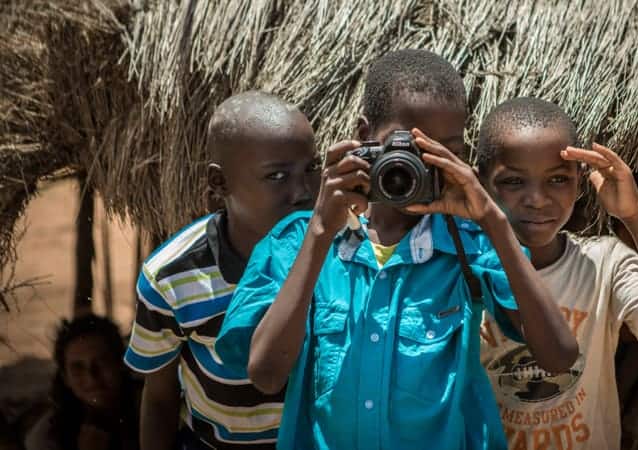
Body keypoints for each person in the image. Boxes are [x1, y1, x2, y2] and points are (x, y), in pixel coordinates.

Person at [215, 49, 578, 450]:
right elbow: (266, 375)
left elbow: (559, 357)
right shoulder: (297, 242)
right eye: (407, 148)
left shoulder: (472, 243)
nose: (424, 168)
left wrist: (493, 220)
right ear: (365, 134)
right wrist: (320, 232)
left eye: (445, 153)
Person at [477, 97, 638, 449]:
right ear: (479, 183)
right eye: (513, 181)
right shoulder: (460, 270)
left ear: (580, 183)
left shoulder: (603, 263)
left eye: (557, 179)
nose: (537, 199)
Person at [123, 91, 320, 449]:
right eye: (277, 176)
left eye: (311, 169)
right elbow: (159, 398)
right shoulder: (172, 277)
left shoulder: (338, 257)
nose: (303, 191)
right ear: (220, 183)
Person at [25, 314, 139, 450]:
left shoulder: (155, 411)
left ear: (120, 364)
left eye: (102, 362)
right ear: (65, 377)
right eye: (78, 368)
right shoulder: (46, 436)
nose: (91, 377)